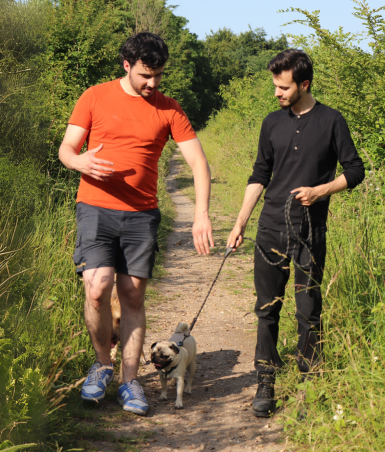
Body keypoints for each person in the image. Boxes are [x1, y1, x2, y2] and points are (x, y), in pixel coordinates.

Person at [59, 32, 214, 416]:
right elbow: (66, 149)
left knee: (131, 296)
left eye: (159, 75)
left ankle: (130, 381)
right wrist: (79, 162)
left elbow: (198, 164)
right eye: (146, 75)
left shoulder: (169, 109)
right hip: (95, 207)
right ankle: (103, 365)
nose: (153, 83)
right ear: (126, 65)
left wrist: (200, 214)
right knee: (96, 289)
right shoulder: (94, 96)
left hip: (142, 214)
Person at [226, 49, 364, 418]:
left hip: (310, 232)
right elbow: (259, 175)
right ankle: (265, 380)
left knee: (308, 310)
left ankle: (310, 383)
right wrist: (240, 223)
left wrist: (321, 191)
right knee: (267, 309)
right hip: (271, 226)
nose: (277, 93)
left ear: (304, 84)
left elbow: (355, 170)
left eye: (283, 87)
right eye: (275, 86)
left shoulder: (332, 121)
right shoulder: (272, 123)